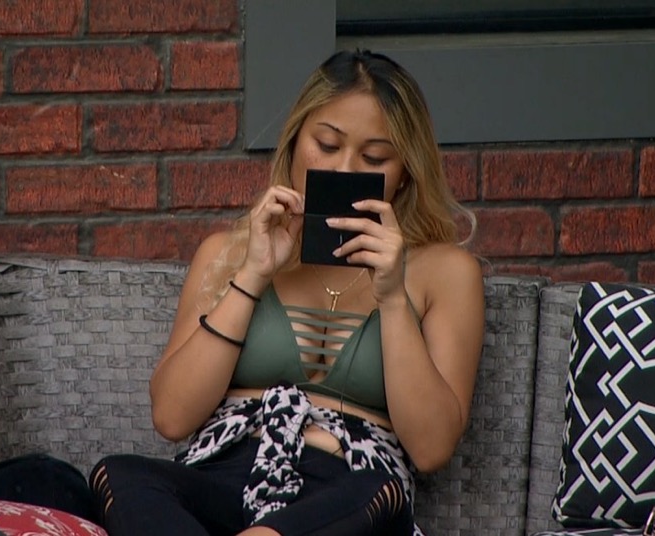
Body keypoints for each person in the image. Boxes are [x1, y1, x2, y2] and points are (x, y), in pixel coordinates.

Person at [87, 49, 485, 536]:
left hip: (346, 490)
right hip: (225, 473)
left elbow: (431, 448)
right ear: (295, 142)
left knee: (380, 492)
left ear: (404, 173)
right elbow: (171, 417)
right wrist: (254, 274)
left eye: (374, 158)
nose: (344, 170)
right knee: (121, 474)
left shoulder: (444, 271)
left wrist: (393, 297)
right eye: (327, 145)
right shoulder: (227, 254)